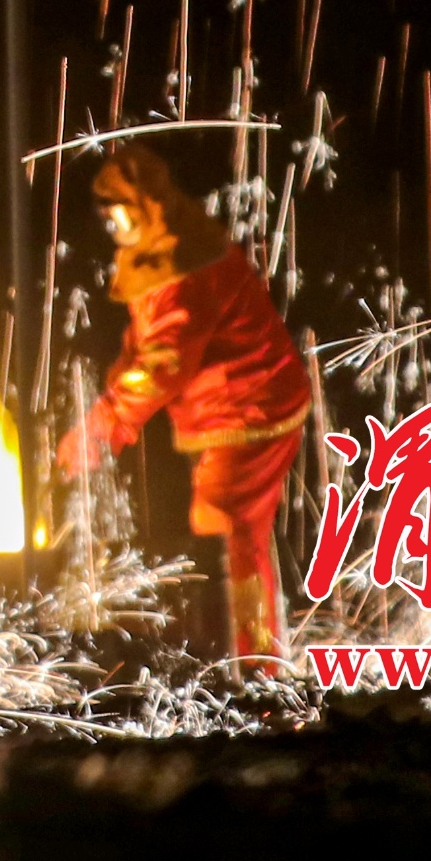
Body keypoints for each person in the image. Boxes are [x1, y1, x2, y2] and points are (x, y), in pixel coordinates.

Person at [55, 139, 316, 666]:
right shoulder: (160, 247)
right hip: (231, 409)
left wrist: (105, 424)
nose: (116, 231)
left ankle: (254, 662)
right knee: (224, 527)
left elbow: (162, 364)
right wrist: (104, 413)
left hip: (252, 406)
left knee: (225, 524)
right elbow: (142, 342)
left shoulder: (185, 264)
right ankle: (243, 655)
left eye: (121, 217)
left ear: (147, 206)